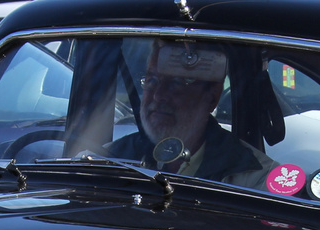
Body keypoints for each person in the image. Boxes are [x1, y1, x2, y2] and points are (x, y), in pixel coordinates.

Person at [106, 39, 271, 188]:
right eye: (152, 81)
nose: (158, 95)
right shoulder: (106, 159)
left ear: (212, 96)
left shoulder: (256, 178)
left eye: (177, 82)